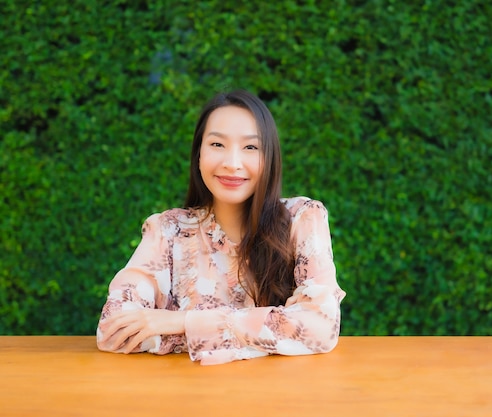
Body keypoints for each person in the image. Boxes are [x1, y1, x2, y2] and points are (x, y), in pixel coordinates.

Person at [96, 89, 346, 365]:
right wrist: (267, 335)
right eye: (217, 145)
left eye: (251, 147)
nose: (232, 163)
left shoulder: (302, 218)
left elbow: (320, 327)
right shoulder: (167, 231)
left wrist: (181, 323)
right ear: (198, 154)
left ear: (269, 159)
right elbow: (113, 329)